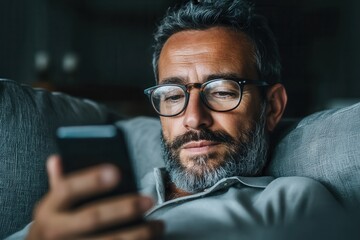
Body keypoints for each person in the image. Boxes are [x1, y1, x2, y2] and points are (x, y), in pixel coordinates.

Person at [7, 0, 341, 239]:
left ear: (272, 107)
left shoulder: (294, 201)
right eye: (173, 96)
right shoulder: (111, 200)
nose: (194, 118)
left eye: (222, 92)